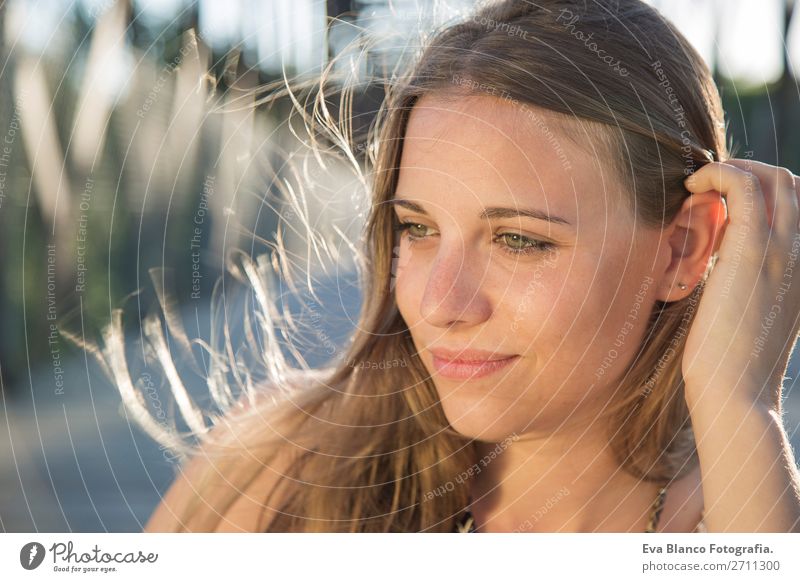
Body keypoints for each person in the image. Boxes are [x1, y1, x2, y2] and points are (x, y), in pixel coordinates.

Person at [117, 0, 800, 532]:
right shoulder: (280, 467)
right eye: (416, 228)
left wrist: (737, 403)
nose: (441, 302)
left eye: (518, 240)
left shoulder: (746, 519)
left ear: (681, 250)